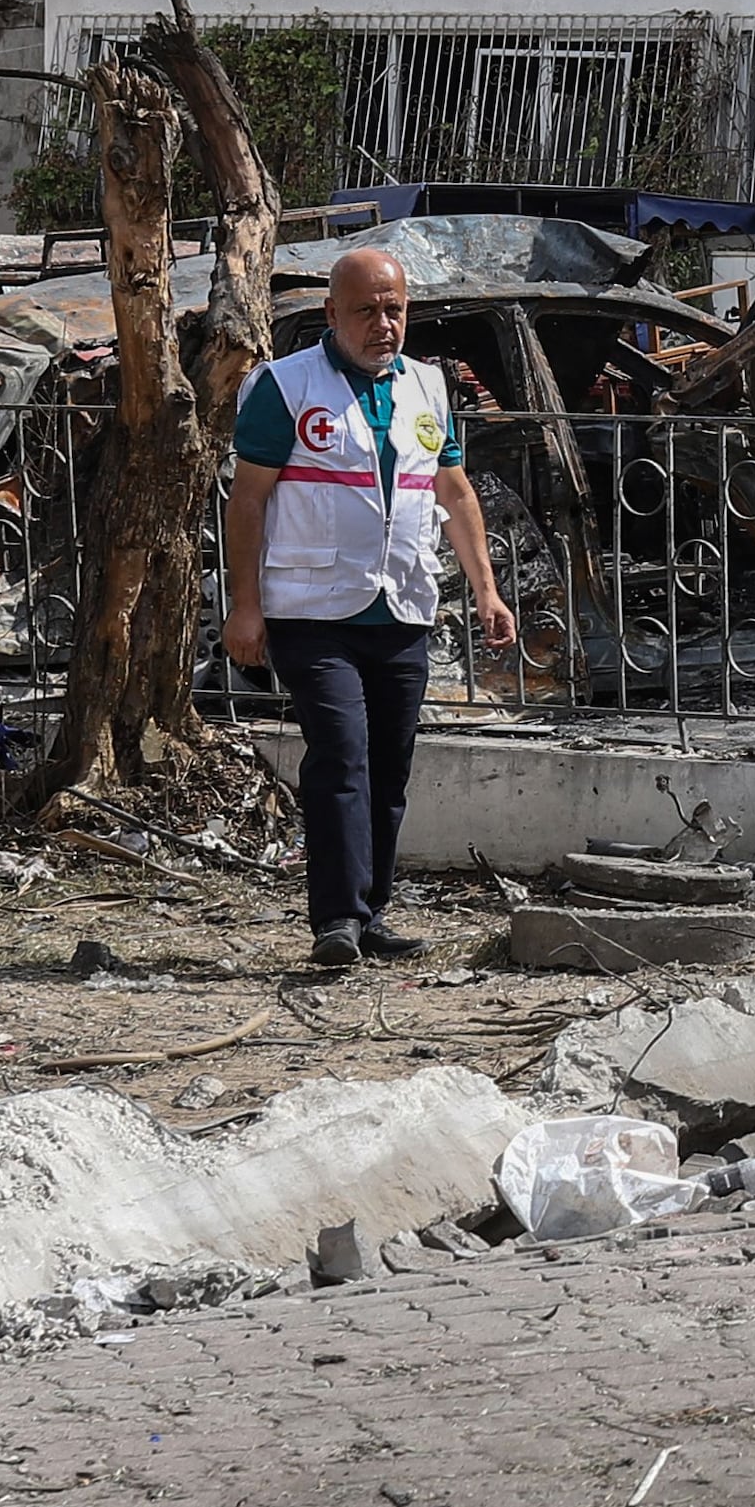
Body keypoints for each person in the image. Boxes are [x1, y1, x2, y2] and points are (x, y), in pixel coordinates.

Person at [224, 248, 517, 968]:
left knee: (389, 767)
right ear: (332, 313)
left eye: (395, 309)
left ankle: (374, 910)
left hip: (402, 607)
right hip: (311, 611)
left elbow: (454, 494)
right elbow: (248, 500)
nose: (383, 324)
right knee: (341, 756)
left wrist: (485, 589)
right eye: (367, 310)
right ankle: (337, 920)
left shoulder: (427, 387)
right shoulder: (285, 388)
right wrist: (244, 606)